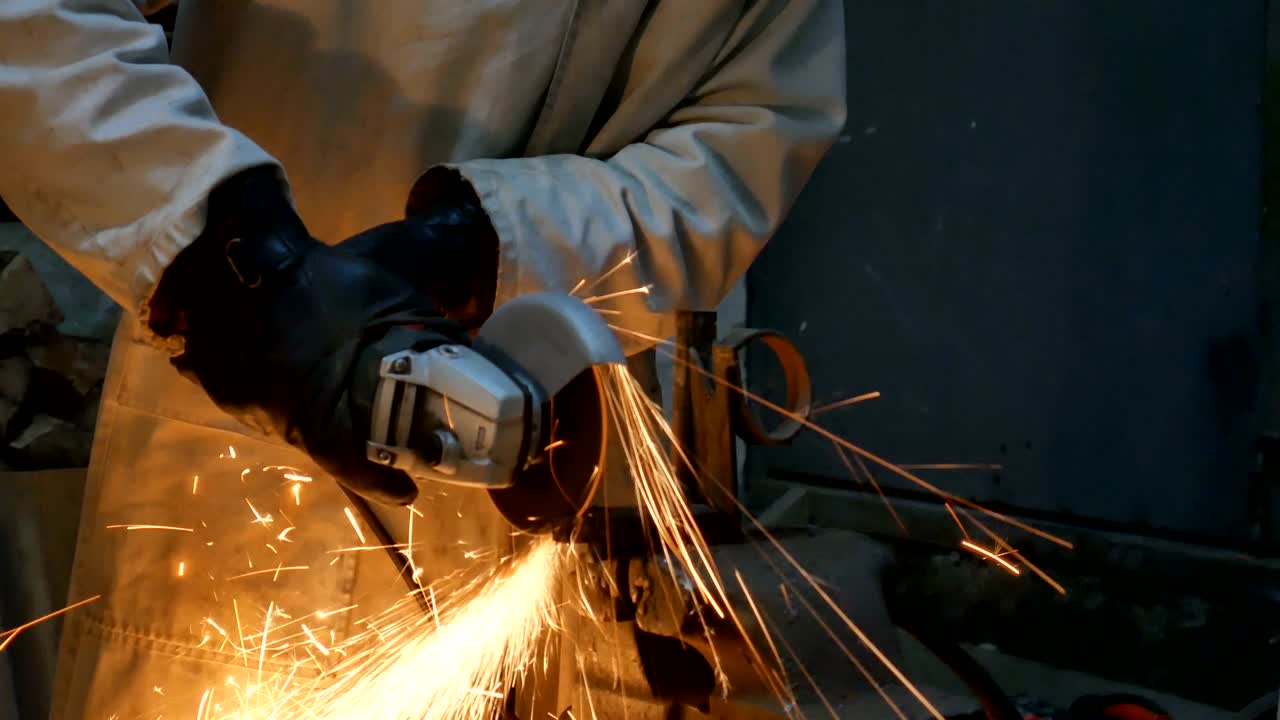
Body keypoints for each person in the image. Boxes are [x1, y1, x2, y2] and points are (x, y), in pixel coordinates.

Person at [0, 0, 846, 714]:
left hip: (542, 479)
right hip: (247, 486)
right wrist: (233, 263)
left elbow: (743, 136)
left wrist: (488, 242)